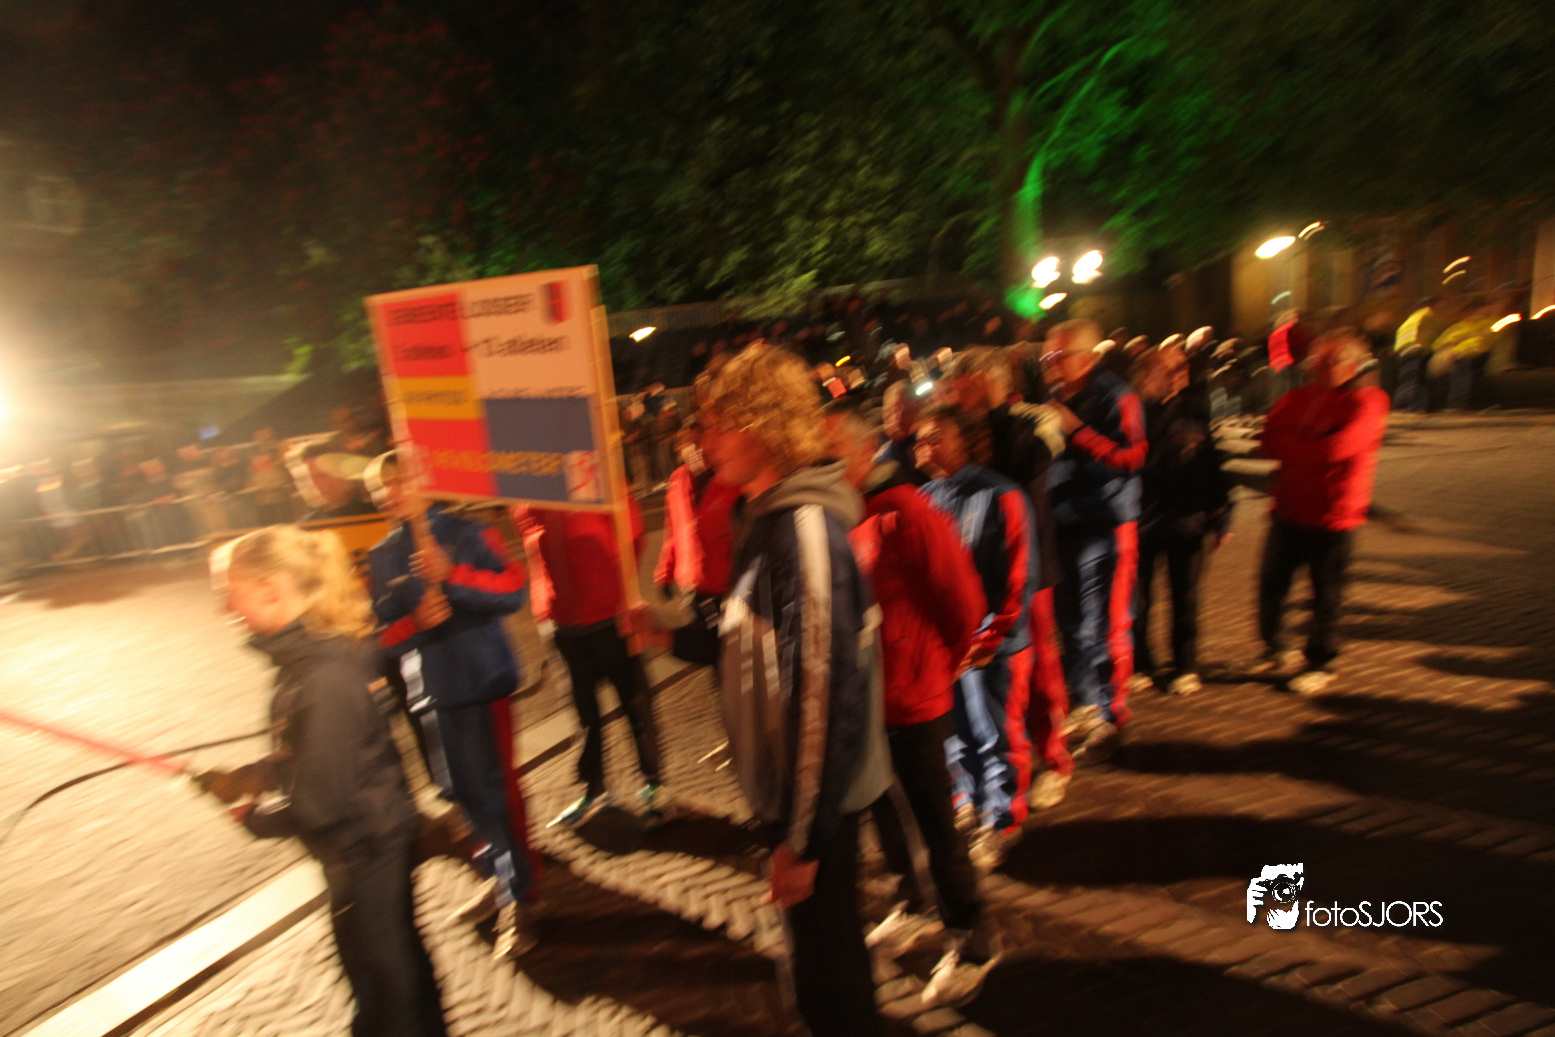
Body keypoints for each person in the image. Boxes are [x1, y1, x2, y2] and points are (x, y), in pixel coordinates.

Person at [699, 342, 891, 1037]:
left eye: (718, 425)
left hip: (813, 803)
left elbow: (821, 697)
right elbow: (749, 634)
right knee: (818, 966)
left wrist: (802, 840)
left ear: (763, 425)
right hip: (795, 794)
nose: (705, 443)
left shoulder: (801, 529)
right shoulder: (768, 517)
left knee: (831, 980)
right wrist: (666, 629)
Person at [198, 526, 446, 1037]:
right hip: (368, 844)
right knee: (392, 970)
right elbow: (315, 750)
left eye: (232, 591)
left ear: (271, 590)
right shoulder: (312, 658)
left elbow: (320, 802)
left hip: (364, 848)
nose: (226, 606)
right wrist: (253, 776)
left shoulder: (322, 675)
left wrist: (254, 819)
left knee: (386, 984)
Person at [825, 400, 998, 1007]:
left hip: (912, 696)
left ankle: (973, 938)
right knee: (887, 815)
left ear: (864, 448)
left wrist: (933, 664)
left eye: (832, 452)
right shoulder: (849, 512)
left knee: (934, 825)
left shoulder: (908, 510)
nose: (824, 464)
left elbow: (962, 599)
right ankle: (913, 903)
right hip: (872, 697)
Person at [365, 453, 539, 959]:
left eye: (397, 481)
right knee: (460, 795)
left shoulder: (470, 532)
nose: (389, 494)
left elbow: (513, 590)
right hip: (431, 693)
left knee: (497, 794)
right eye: (380, 488)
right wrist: (414, 623)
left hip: (482, 683)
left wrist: (455, 575)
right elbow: (380, 635)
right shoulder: (382, 555)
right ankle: (495, 877)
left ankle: (519, 896)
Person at [942, 346, 1073, 808]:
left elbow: (1035, 462)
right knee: (986, 683)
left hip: (1028, 571)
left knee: (1039, 673)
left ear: (984, 382)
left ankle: (1054, 759)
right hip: (979, 575)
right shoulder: (962, 427)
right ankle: (995, 769)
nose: (954, 394)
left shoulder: (1028, 422)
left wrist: (995, 409)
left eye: (962, 386)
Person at [916, 405, 1037, 866]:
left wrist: (991, 639)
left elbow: (1018, 577)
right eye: (921, 438)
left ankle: (1002, 818)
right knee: (957, 735)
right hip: (948, 648)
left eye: (936, 437)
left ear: (964, 440)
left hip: (992, 649)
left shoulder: (1001, 495)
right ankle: (969, 802)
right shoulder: (924, 497)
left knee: (997, 734)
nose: (924, 446)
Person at [514, 498, 666, 825]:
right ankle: (594, 789)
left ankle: (653, 784)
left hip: (610, 619)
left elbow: (633, 535)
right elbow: (536, 557)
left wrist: (619, 590)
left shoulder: (595, 478)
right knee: (584, 717)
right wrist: (544, 609)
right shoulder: (525, 496)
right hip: (563, 627)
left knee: (636, 707)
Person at [1255, 330, 1389, 694]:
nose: (1316, 367)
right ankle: (1275, 648)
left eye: (1327, 361)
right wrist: (1306, 445)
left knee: (1326, 594)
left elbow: (1337, 449)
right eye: (1316, 360)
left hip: (1332, 515)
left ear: (1351, 365)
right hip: (1288, 509)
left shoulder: (1368, 400)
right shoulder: (1298, 396)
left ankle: (1322, 661)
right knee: (1272, 586)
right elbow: (1267, 439)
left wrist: (1293, 444)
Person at [1044, 319, 1149, 753]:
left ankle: (1110, 710)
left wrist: (1077, 431)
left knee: (1106, 624)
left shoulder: (1117, 397)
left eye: (1059, 356)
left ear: (1087, 358)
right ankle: (1085, 700)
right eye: (1046, 356)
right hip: (1065, 524)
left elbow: (1131, 457)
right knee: (1072, 624)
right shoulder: (1052, 397)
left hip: (1106, 525)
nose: (1050, 364)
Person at [1131, 349, 1233, 697]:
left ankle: (1185, 665)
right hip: (1143, 520)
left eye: (1182, 367)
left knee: (1185, 597)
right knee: (1138, 600)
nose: (1180, 373)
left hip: (1186, 520)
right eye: (1169, 369)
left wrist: (1221, 514)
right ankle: (1140, 663)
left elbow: (1211, 465)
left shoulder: (1193, 411)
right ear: (1147, 375)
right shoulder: (1132, 413)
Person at [654, 416, 743, 667]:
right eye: (686, 443)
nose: (692, 449)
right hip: (692, 587)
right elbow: (673, 530)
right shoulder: (678, 480)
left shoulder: (730, 478)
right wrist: (664, 573)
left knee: (729, 654)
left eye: (697, 441)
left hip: (725, 587)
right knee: (706, 652)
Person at [1392, 297, 1445, 414]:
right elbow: (1430, 335)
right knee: (1417, 381)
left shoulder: (1412, 318)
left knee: (1407, 379)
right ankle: (1415, 407)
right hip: (1417, 350)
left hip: (1404, 351)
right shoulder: (1427, 315)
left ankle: (1401, 406)